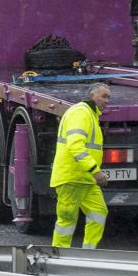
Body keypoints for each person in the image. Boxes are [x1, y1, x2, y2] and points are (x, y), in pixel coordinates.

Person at [50, 83, 111, 249]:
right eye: (103, 96)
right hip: (72, 177)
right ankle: (59, 254)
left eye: (108, 97)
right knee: (67, 219)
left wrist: (93, 174)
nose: (107, 101)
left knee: (99, 212)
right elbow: (76, 146)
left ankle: (88, 253)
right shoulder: (81, 113)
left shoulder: (89, 114)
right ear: (91, 96)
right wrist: (95, 171)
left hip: (84, 179)